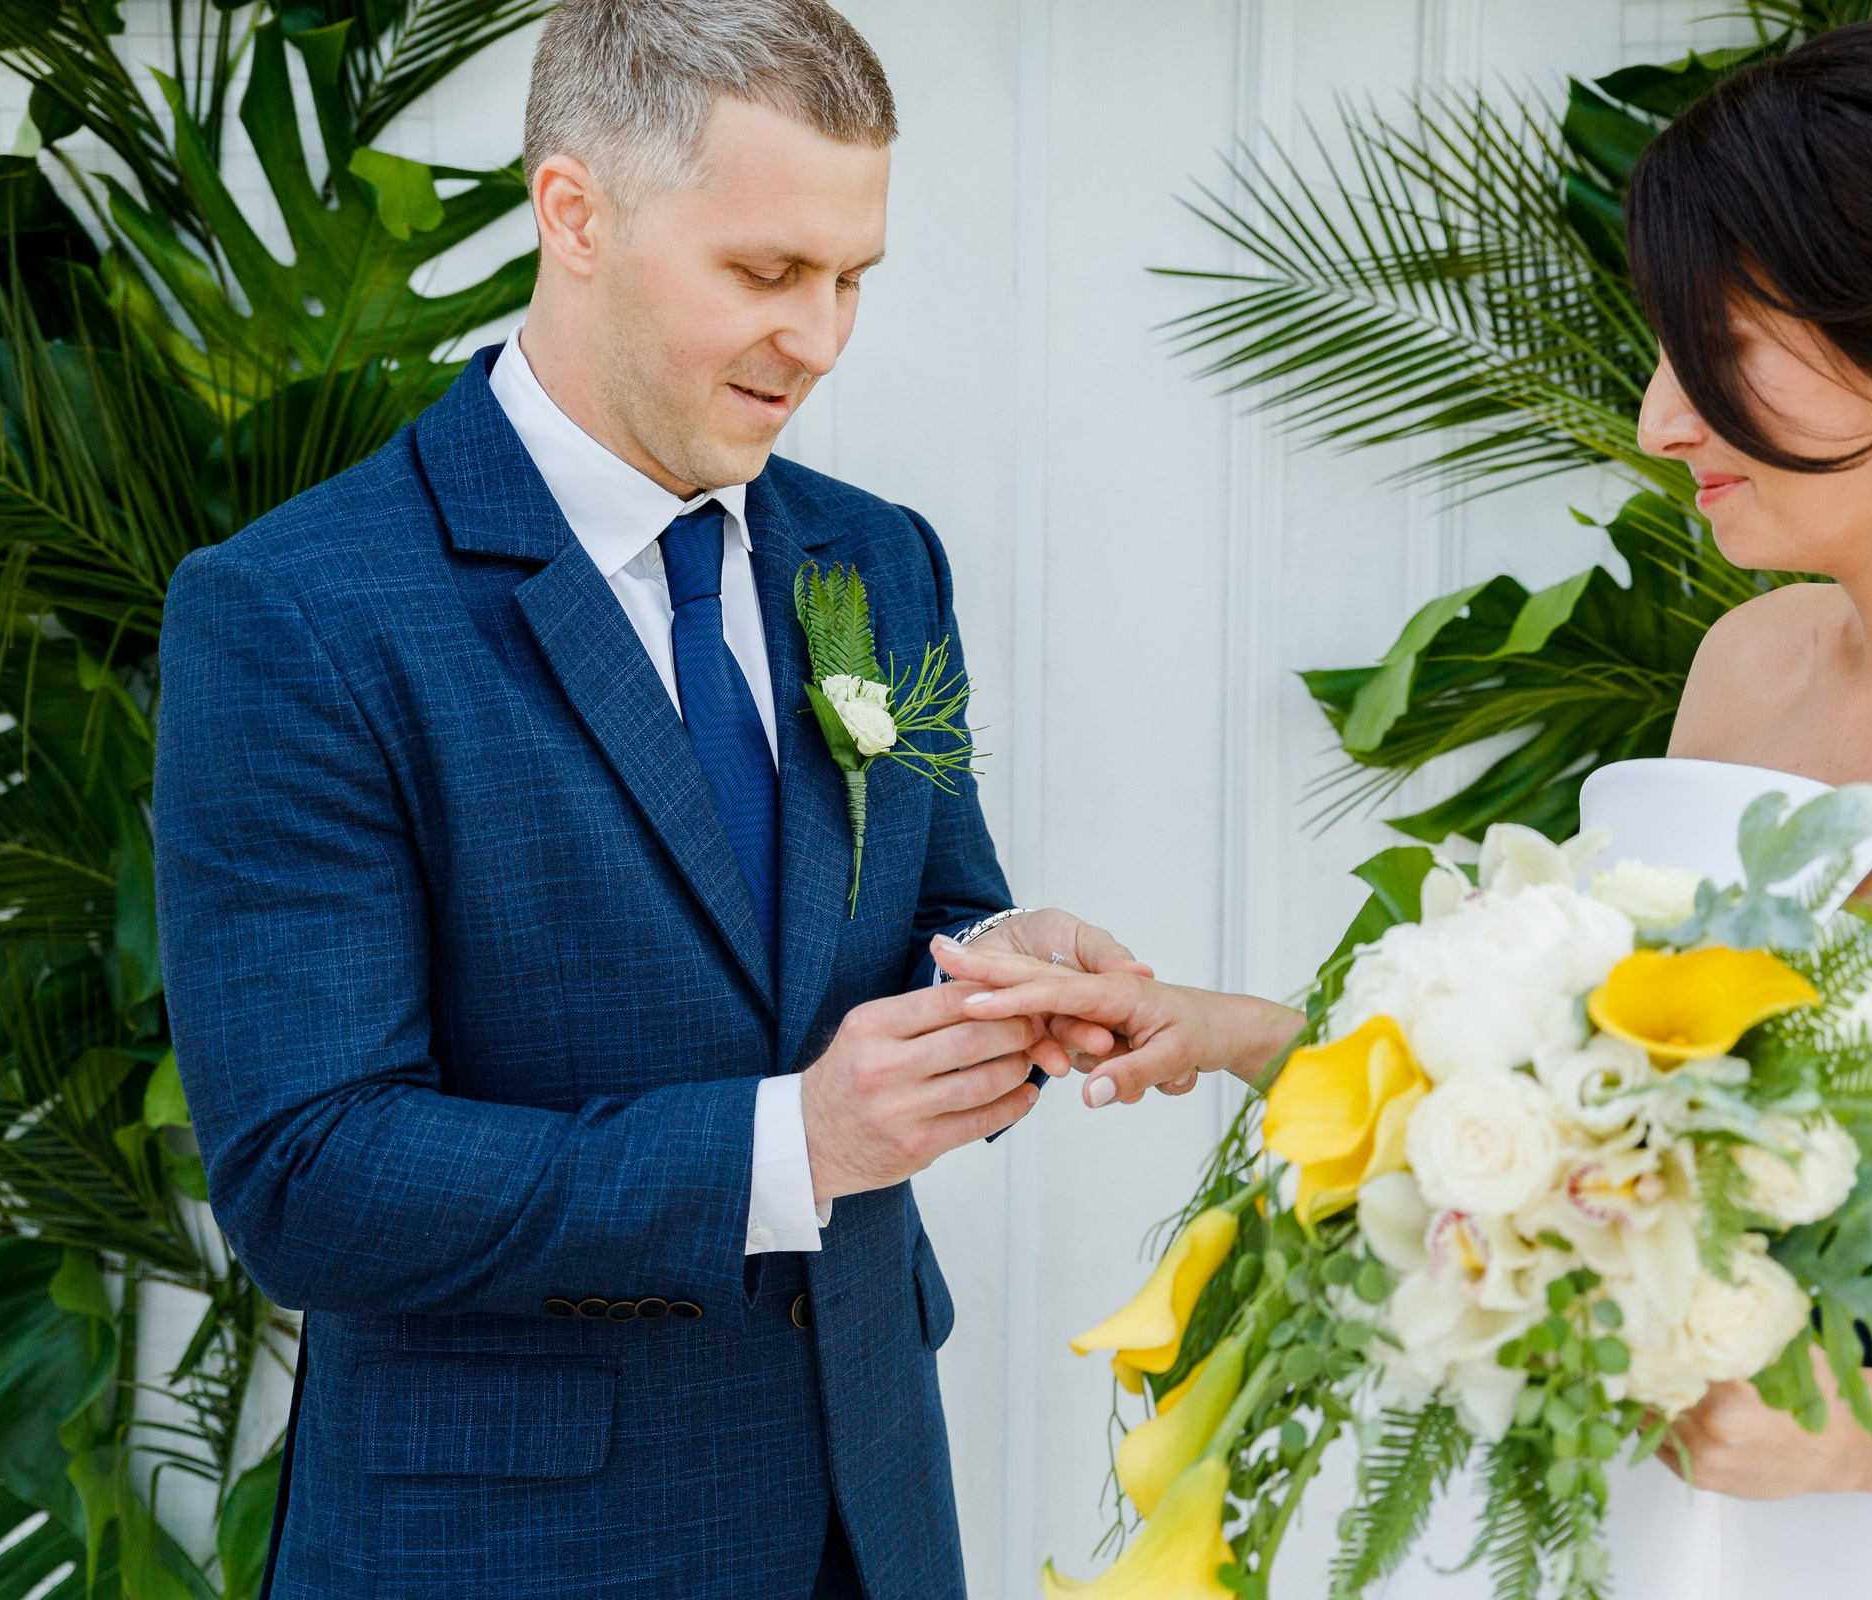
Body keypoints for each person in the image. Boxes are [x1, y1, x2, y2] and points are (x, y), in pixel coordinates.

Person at [951, 15, 1872, 1599]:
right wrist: (1219, 1031)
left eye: (1714, 354)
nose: (1657, 420)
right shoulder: (1750, 667)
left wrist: (1854, 1441)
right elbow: (1605, 1111)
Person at [155, 3, 1141, 1596]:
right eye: (765, 274)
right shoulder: (296, 613)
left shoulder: (875, 556)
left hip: (869, 1509)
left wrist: (1010, 966)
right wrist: (789, 1144)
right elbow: (310, 1176)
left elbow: (935, 897)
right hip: (512, 1548)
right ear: (576, 213)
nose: (818, 338)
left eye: (850, 281)